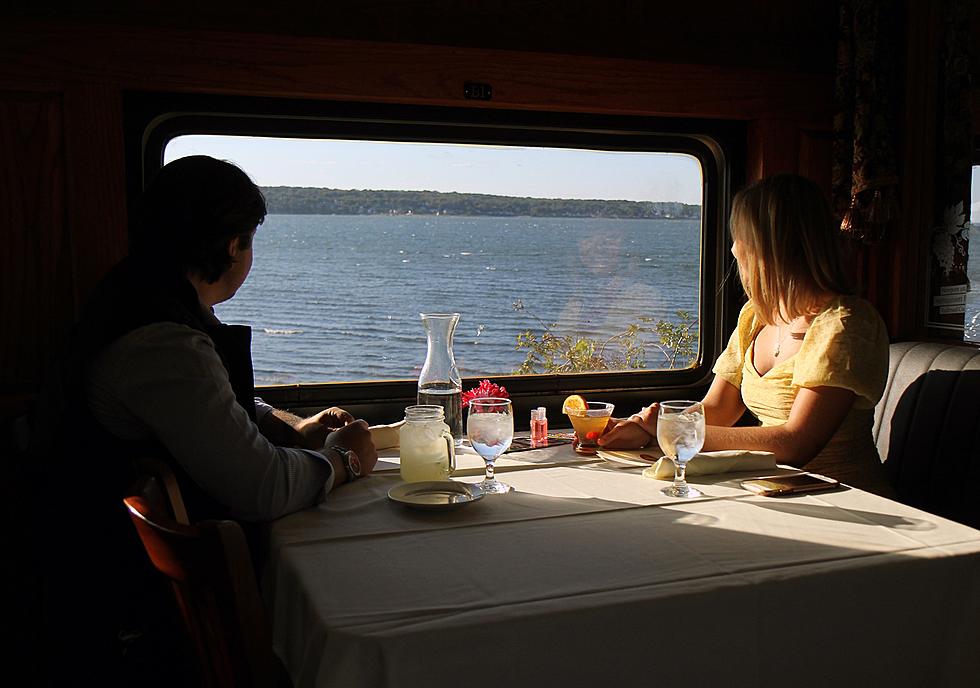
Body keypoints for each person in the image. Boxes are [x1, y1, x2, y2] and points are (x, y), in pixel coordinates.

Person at [33, 155, 378, 685]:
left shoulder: (146, 297)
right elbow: (259, 487)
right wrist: (347, 459)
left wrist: (293, 428)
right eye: (250, 242)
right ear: (233, 246)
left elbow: (214, 409)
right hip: (129, 612)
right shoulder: (163, 342)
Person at [599, 173, 894, 497]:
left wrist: (667, 433)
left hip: (842, 497)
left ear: (773, 246)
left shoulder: (846, 325)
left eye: (741, 236)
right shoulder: (755, 317)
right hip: (773, 487)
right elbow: (718, 409)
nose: (734, 247)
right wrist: (645, 423)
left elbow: (796, 443)